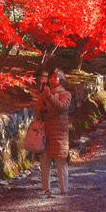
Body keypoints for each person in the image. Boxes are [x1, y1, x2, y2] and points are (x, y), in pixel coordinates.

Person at [35, 68, 72, 197]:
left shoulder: (65, 94)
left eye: (55, 77)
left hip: (59, 133)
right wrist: (41, 102)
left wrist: (49, 96)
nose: (52, 79)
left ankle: (64, 190)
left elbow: (61, 107)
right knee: (44, 162)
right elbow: (38, 114)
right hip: (44, 132)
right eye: (50, 77)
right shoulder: (44, 94)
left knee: (61, 161)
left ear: (61, 79)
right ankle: (46, 190)